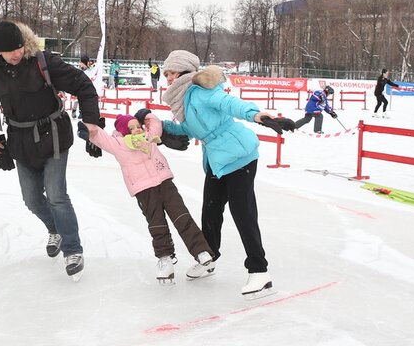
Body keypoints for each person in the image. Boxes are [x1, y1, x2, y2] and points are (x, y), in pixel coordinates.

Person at [0, 20, 100, 280]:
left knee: (56, 195)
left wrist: (91, 121)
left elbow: (84, 86)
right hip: (20, 141)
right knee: (31, 199)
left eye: (19, 47)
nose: (16, 53)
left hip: (54, 137)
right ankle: (55, 229)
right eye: (10, 50)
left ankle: (73, 249)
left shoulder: (44, 62)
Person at [159, 49, 278, 299]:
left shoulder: (201, 91)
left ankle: (259, 271)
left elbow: (229, 104)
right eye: (166, 73)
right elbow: (189, 130)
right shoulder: (185, 100)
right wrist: (158, 127)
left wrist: (256, 114)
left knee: (242, 212)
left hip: (238, 155)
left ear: (182, 71)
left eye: (170, 73)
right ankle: (209, 257)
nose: (167, 78)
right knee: (210, 211)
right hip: (216, 160)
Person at [80, 111, 214, 286]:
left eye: (138, 126)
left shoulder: (149, 137)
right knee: (157, 224)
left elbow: (156, 123)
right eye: (131, 128)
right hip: (144, 190)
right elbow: (99, 136)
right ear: (123, 132)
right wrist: (88, 127)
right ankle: (165, 259)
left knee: (182, 216)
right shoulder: (118, 144)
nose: (137, 130)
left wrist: (146, 115)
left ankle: (201, 251)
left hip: (165, 182)